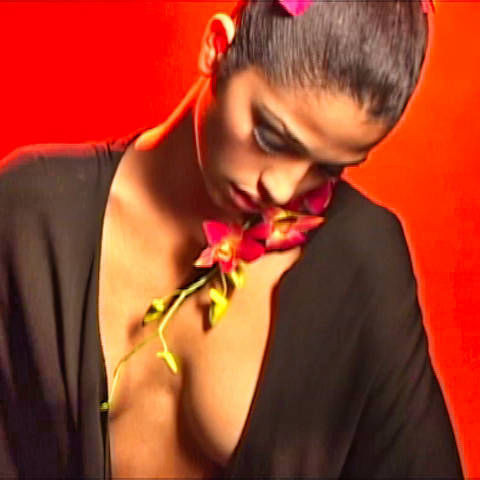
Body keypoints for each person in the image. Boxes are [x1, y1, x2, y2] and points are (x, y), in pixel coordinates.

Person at [0, 0, 464, 478]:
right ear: (216, 48)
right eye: (271, 138)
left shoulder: (361, 262)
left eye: (328, 168)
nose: (282, 189)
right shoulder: (31, 216)